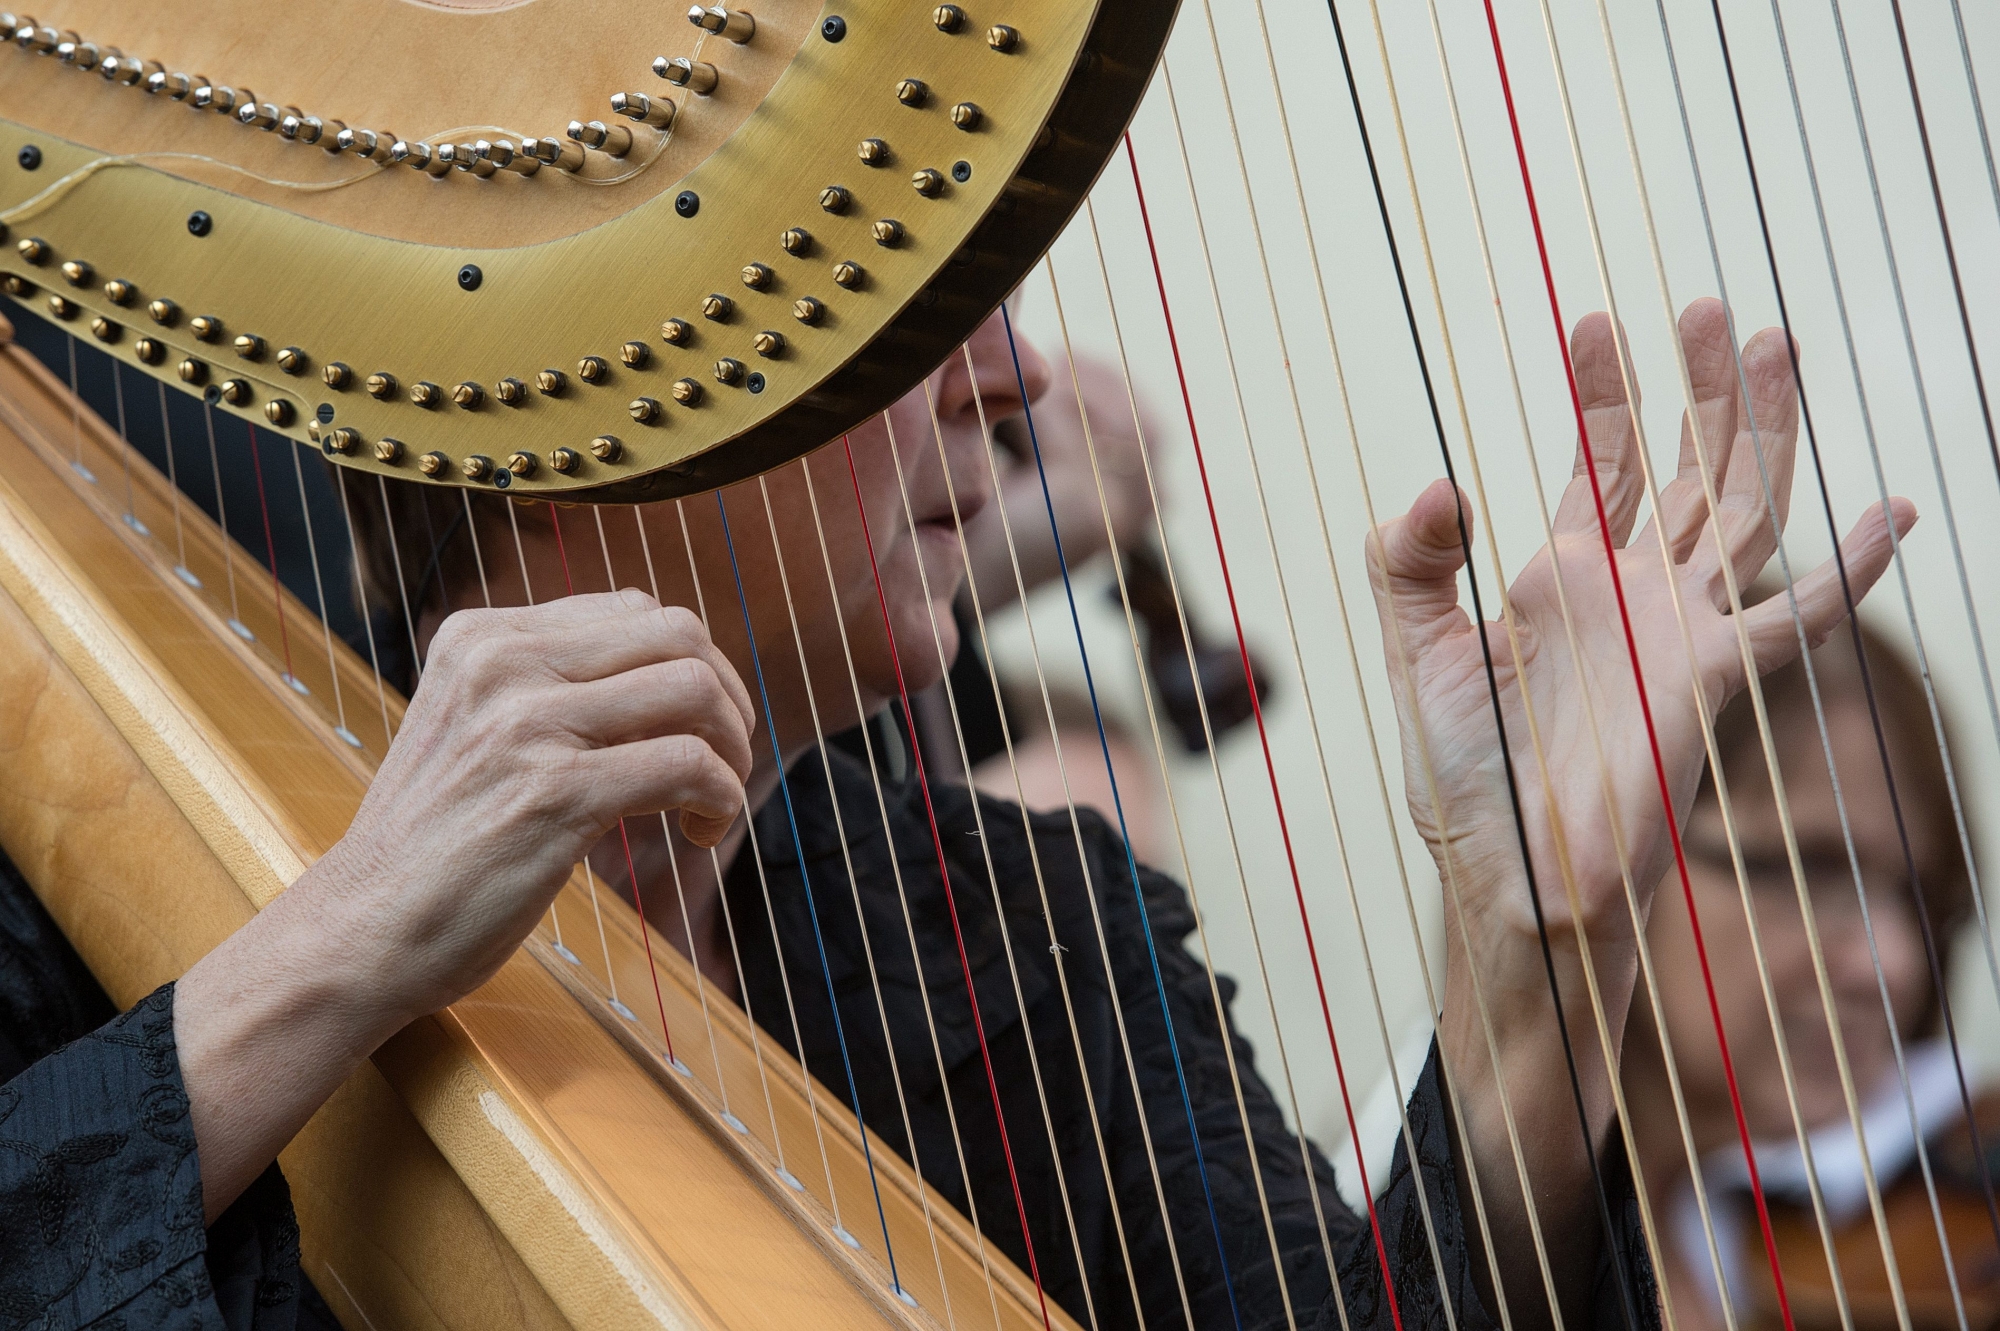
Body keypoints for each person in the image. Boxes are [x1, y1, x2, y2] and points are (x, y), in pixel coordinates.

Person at [2, 294, 1910, 1331]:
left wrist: (1528, 949)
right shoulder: (98, 858)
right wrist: (332, 952)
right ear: (594, 402)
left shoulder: (1022, 920)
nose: (1004, 382)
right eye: (893, 299)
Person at [1622, 610, 1997, 1331]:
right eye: (1810, 866)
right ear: (1627, 857)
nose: (1893, 964)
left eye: (1920, 899)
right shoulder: (1406, 1204)